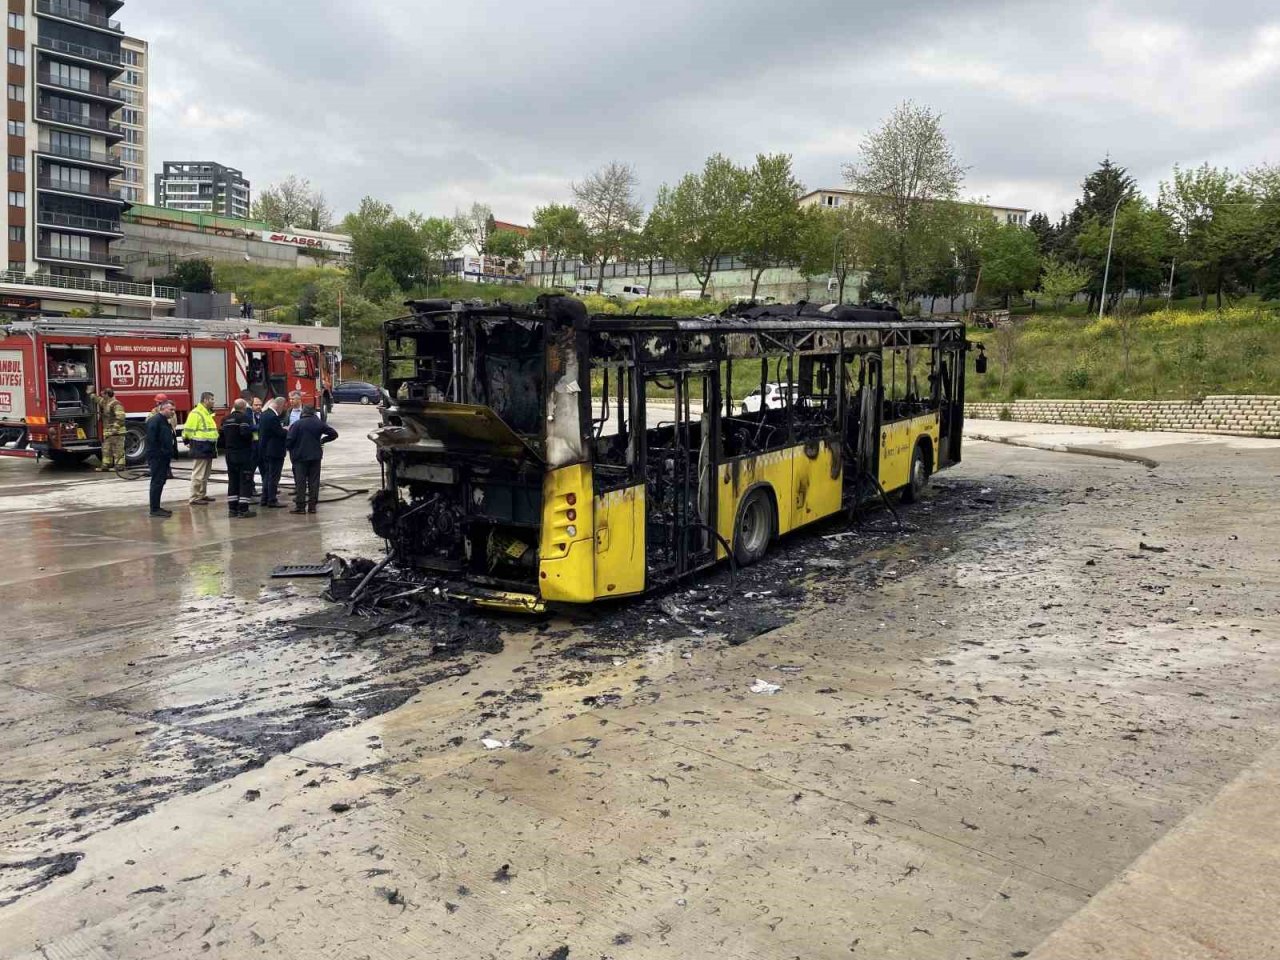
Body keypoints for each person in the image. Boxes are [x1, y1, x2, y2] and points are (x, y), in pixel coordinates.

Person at [285, 404, 337, 514]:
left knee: (301, 482)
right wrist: (323, 441)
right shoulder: (318, 423)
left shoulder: (297, 424)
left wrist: (293, 450)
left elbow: (289, 441)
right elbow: (334, 434)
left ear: (303, 413)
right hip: (315, 457)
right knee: (314, 482)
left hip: (300, 458)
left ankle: (300, 507)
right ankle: (312, 507)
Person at [220, 398, 256, 519]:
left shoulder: (225, 419)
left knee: (233, 481)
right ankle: (243, 509)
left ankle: (232, 509)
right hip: (242, 454)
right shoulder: (244, 418)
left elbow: (221, 438)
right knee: (245, 480)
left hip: (229, 454)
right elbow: (245, 433)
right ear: (244, 408)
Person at [182, 392, 219, 505]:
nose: (213, 401)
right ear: (205, 400)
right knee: (198, 474)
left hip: (208, 447)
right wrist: (187, 440)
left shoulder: (207, 413)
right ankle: (194, 497)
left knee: (205, 474)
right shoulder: (196, 413)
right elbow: (188, 430)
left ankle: (201, 494)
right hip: (200, 447)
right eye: (212, 399)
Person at [146, 400, 177, 518]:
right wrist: (160, 453)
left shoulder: (164, 421)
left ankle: (157, 507)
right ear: (163, 409)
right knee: (157, 482)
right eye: (171, 409)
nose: (173, 412)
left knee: (160, 482)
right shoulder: (155, 421)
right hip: (157, 457)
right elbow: (152, 440)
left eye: (174, 410)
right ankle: (154, 509)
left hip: (163, 457)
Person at [257, 396, 288, 508]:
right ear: (280, 406)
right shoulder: (272, 417)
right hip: (274, 451)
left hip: (265, 450)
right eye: (284, 407)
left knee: (267, 476)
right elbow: (278, 433)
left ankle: (264, 498)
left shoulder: (264, 414)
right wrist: (287, 430)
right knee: (274, 477)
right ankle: (272, 499)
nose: (284, 410)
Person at [88, 386, 127, 472]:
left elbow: (121, 417)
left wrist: (115, 428)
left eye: (103, 394)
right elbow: (97, 399)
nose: (101, 396)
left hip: (117, 432)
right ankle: (106, 465)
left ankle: (120, 466)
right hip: (108, 432)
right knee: (106, 449)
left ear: (107, 394)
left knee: (118, 449)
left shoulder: (116, 404)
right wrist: (90, 393)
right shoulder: (105, 402)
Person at [247, 396, 264, 499]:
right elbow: (250, 427)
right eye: (256, 405)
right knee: (251, 470)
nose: (258, 407)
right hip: (252, 447)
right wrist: (261, 427)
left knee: (264, 469)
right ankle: (251, 489)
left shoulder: (262, 415)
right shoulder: (249, 415)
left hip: (261, 446)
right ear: (251, 405)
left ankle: (266, 488)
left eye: (260, 405)